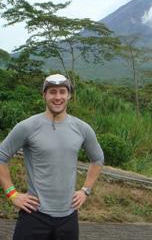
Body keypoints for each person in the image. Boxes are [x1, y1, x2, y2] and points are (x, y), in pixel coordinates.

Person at [0, 73, 104, 240]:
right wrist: (12, 194)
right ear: (44, 95)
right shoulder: (27, 127)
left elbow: (98, 159)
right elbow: (1, 157)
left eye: (62, 92)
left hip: (68, 217)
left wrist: (85, 190)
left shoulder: (82, 128)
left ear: (69, 95)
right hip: (34, 214)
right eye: (52, 92)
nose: (57, 97)